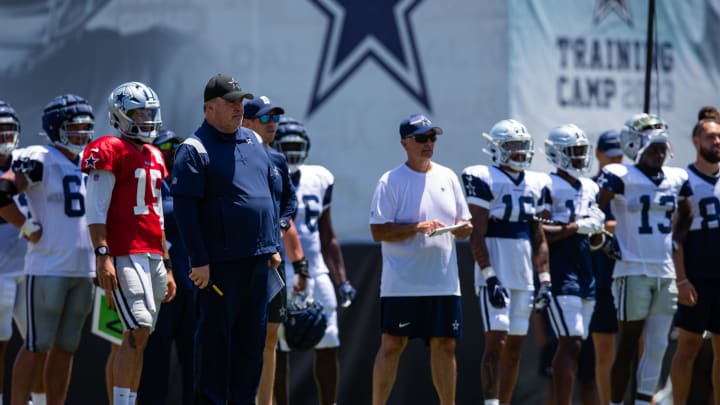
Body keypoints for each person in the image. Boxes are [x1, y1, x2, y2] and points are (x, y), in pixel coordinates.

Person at [170, 73, 281, 405]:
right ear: (209, 108)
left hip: (257, 262)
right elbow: (185, 210)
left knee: (251, 347)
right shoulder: (194, 149)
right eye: (230, 102)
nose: (238, 107)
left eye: (240, 101)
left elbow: (268, 195)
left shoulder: (252, 140)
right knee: (216, 348)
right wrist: (199, 260)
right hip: (219, 267)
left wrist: (272, 243)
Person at [81, 82, 176, 405]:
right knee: (136, 331)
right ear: (120, 115)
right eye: (138, 112)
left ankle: (129, 400)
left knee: (142, 336)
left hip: (151, 253)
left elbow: (158, 214)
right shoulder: (108, 148)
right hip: (124, 251)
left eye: (149, 111)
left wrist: (168, 262)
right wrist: (103, 254)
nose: (146, 118)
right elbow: (96, 207)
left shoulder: (153, 154)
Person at [368, 114, 471, 405]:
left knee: (445, 346)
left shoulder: (448, 176)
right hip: (403, 283)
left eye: (432, 138)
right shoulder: (390, 180)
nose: (428, 144)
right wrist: (416, 227)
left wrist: (464, 228)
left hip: (443, 282)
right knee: (392, 345)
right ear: (404, 143)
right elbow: (378, 231)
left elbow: (464, 225)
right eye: (421, 138)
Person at [0, 94, 96, 405]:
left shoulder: (88, 162)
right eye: (74, 128)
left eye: (85, 129)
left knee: (66, 347)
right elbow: (4, 191)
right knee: (36, 345)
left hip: (83, 268)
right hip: (48, 267)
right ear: (56, 129)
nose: (81, 135)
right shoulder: (41, 157)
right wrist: (27, 227)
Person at [597, 113, 693, 405]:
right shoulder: (619, 176)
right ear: (633, 146)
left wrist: (675, 241)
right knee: (627, 344)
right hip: (632, 269)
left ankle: (642, 401)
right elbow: (593, 210)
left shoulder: (677, 178)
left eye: (662, 147)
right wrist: (603, 240)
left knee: (658, 345)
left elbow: (687, 212)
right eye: (653, 147)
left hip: (664, 271)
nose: (660, 152)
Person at [460, 118, 551, 405]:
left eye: (523, 146)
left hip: (523, 275)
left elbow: (539, 236)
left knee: (515, 347)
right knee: (496, 343)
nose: (520, 152)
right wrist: (489, 275)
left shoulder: (535, 183)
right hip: (496, 273)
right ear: (497, 148)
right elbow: (476, 234)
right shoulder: (484, 177)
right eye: (513, 146)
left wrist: (545, 279)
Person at [272, 116, 357, 405]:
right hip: (279, 270)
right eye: (287, 146)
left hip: (316, 271)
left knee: (328, 341)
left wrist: (341, 279)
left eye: (297, 146)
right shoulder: (266, 173)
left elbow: (327, 234)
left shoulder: (320, 178)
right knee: (277, 345)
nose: (292, 152)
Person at [241, 97, 309, 405]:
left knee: (270, 336)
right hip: (239, 260)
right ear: (247, 122)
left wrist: (279, 228)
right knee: (239, 336)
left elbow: (289, 204)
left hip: (273, 259)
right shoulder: (233, 156)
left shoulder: (279, 161)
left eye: (275, 119)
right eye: (265, 119)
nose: (272, 124)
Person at [540, 124, 604, 405]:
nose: (580, 157)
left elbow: (594, 237)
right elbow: (539, 231)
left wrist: (597, 231)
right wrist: (577, 226)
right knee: (569, 342)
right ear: (558, 154)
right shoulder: (546, 185)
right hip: (560, 272)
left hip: (585, 273)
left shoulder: (590, 186)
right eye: (574, 151)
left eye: (581, 151)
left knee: (577, 345)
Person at [135, 129, 194, 405]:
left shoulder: (189, 181)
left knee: (194, 359)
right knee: (154, 361)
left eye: (176, 146)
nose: (172, 151)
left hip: (192, 283)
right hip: (158, 284)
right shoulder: (146, 183)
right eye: (166, 146)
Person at [670, 110, 720, 405]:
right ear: (696, 140)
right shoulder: (684, 181)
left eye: (719, 137)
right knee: (688, 346)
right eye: (711, 136)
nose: (716, 142)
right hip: (697, 277)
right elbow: (676, 238)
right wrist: (682, 278)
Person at [588, 129, 623, 405]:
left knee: (637, 345)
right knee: (604, 352)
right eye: (610, 155)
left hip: (630, 277)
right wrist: (615, 226)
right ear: (598, 154)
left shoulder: (631, 188)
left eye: (619, 155)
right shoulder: (590, 189)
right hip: (600, 279)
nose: (614, 161)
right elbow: (589, 227)